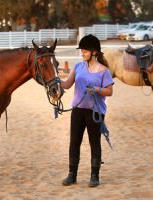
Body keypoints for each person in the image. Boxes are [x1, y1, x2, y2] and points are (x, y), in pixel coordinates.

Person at [60, 34, 114, 187]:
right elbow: (67, 84)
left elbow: (109, 91)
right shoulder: (78, 66)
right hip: (78, 109)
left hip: (95, 112)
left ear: (94, 52)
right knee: (74, 141)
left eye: (84, 51)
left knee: (94, 142)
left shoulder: (104, 71)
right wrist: (55, 81)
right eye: (81, 51)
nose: (82, 53)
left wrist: (97, 89)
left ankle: (94, 176)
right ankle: (72, 174)